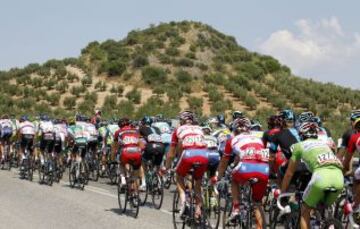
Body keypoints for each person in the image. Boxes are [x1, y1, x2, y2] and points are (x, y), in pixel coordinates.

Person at [280, 122, 343, 229]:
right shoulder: (325, 145)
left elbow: (289, 173)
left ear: (301, 135)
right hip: (339, 178)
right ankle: (328, 223)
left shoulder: (299, 146)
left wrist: (282, 193)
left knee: (305, 210)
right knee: (323, 208)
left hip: (321, 177)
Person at [163, 111, 209, 217]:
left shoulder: (177, 130)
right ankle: (198, 209)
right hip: (204, 156)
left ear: (182, 121)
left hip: (188, 155)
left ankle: (184, 203)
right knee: (198, 183)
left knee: (179, 176)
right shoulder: (200, 129)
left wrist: (167, 167)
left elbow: (171, 154)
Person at [113, 118, 144, 187]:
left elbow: (115, 146)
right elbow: (140, 143)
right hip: (137, 151)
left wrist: (114, 155)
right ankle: (136, 193)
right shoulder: (136, 130)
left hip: (126, 151)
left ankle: (123, 180)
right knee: (135, 174)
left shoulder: (118, 132)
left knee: (121, 163)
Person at [342, 116, 360, 222]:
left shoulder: (354, 137)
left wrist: (343, 172)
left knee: (356, 175)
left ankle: (356, 206)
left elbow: (347, 160)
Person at [140, 116, 165, 189]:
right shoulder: (157, 129)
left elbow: (138, 140)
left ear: (143, 123)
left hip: (151, 147)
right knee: (157, 166)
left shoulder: (141, 129)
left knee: (142, 163)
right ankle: (159, 183)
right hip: (161, 147)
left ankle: (144, 183)